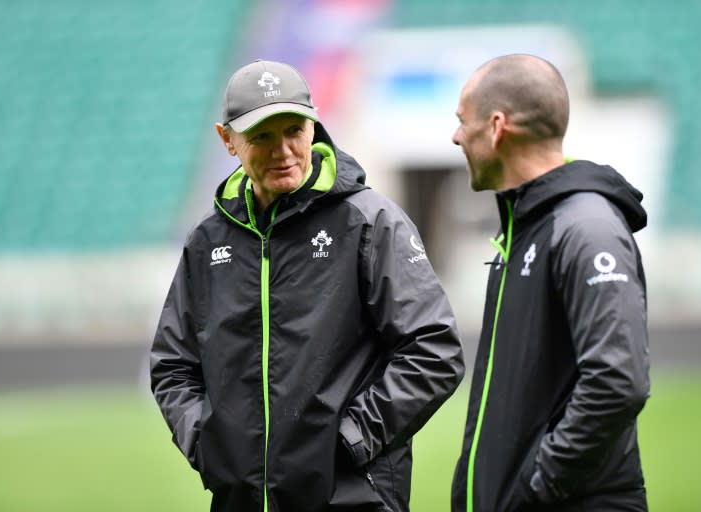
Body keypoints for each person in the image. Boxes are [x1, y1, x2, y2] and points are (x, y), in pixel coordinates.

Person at [150, 59, 464, 512]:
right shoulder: (207, 241)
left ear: (314, 125)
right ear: (228, 140)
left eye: (294, 130)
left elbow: (434, 350)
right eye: (261, 136)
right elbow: (173, 364)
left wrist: (351, 439)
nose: (283, 151)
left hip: (352, 499)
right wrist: (207, 444)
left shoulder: (370, 222)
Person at [450, 54, 651, 512]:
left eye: (463, 121)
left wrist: (541, 486)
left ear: (497, 126)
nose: (457, 136)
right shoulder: (525, 228)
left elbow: (618, 382)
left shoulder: (585, 227)